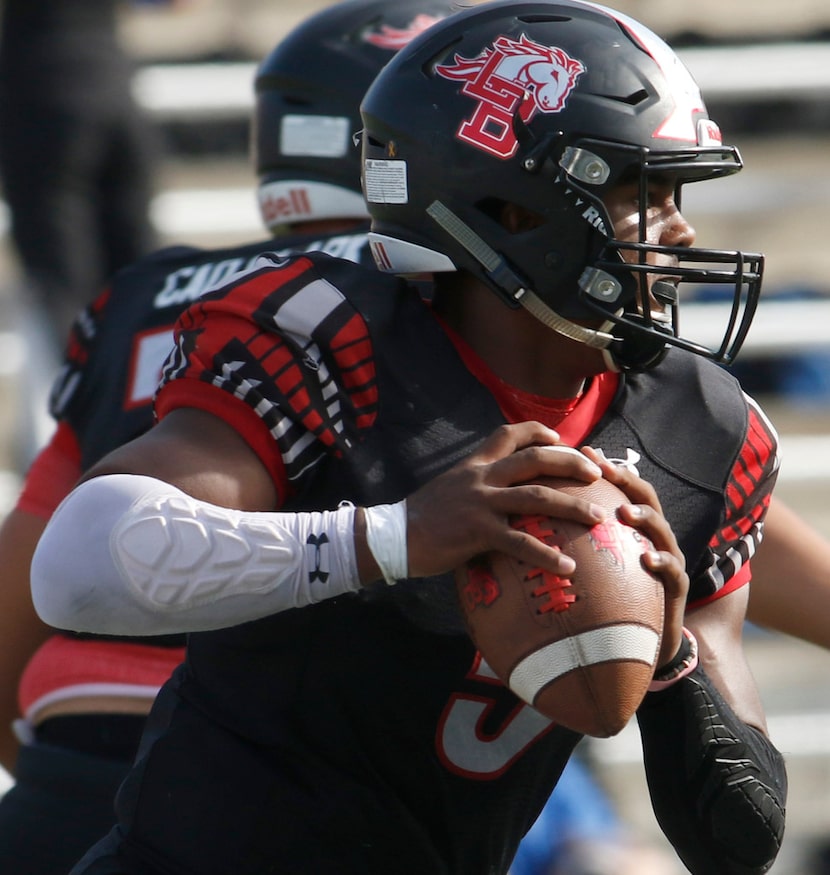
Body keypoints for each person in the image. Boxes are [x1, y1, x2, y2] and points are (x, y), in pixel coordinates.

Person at [30, 2, 789, 874]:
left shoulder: (705, 428)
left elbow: (740, 840)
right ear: (515, 209)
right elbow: (75, 569)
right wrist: (391, 538)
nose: (681, 229)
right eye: (641, 192)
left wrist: (673, 662)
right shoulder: (330, 336)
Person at [0, 2, 457, 873]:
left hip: (65, 772)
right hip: (273, 780)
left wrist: (62, 786)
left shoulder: (144, 292)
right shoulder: (420, 301)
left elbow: (25, 571)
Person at [0, 0, 163, 349]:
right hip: (114, 90)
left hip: (42, 98)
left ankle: (79, 394)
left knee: (60, 283)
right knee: (137, 280)